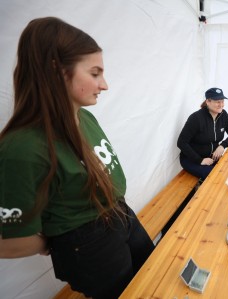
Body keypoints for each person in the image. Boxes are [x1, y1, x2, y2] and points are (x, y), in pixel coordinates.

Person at [0, 17, 154, 298]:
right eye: (95, 73)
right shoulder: (22, 149)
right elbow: (8, 240)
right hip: (88, 242)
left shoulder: (86, 118)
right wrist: (57, 241)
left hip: (120, 215)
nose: (104, 84)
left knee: (154, 275)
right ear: (57, 71)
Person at [177, 87, 228, 181]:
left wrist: (222, 145)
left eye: (222, 101)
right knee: (215, 177)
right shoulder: (196, 118)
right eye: (217, 101)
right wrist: (200, 160)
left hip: (212, 157)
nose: (221, 105)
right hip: (192, 160)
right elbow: (181, 142)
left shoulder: (223, 114)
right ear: (208, 102)